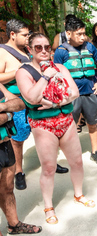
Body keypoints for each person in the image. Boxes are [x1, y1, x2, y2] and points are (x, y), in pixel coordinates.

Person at [16, 33, 95, 224]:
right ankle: (48, 207)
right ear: (30, 49)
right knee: (49, 168)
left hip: (66, 120)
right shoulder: (24, 72)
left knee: (76, 162)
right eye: (38, 47)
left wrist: (53, 104)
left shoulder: (59, 67)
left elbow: (74, 92)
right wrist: (45, 76)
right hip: (43, 125)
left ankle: (78, 195)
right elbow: (32, 98)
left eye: (46, 47)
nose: (44, 51)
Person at [0, 19, 68, 191]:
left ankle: (50, 163)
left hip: (37, 98)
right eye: (24, 35)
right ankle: (19, 172)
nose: (27, 37)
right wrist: (18, 71)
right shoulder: (2, 52)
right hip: (17, 102)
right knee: (18, 139)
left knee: (44, 132)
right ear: (12, 35)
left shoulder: (26, 50)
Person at [54, 17, 97, 165]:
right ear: (69, 34)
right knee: (69, 126)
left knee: (93, 123)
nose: (83, 37)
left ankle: (95, 152)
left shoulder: (90, 47)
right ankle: (70, 155)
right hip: (71, 96)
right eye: (79, 34)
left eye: (84, 33)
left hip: (90, 93)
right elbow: (55, 74)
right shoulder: (61, 51)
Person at [0, 84, 42, 236]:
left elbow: (19, 103)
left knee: (7, 188)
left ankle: (14, 225)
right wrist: (7, 113)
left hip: (4, 143)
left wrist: (3, 108)